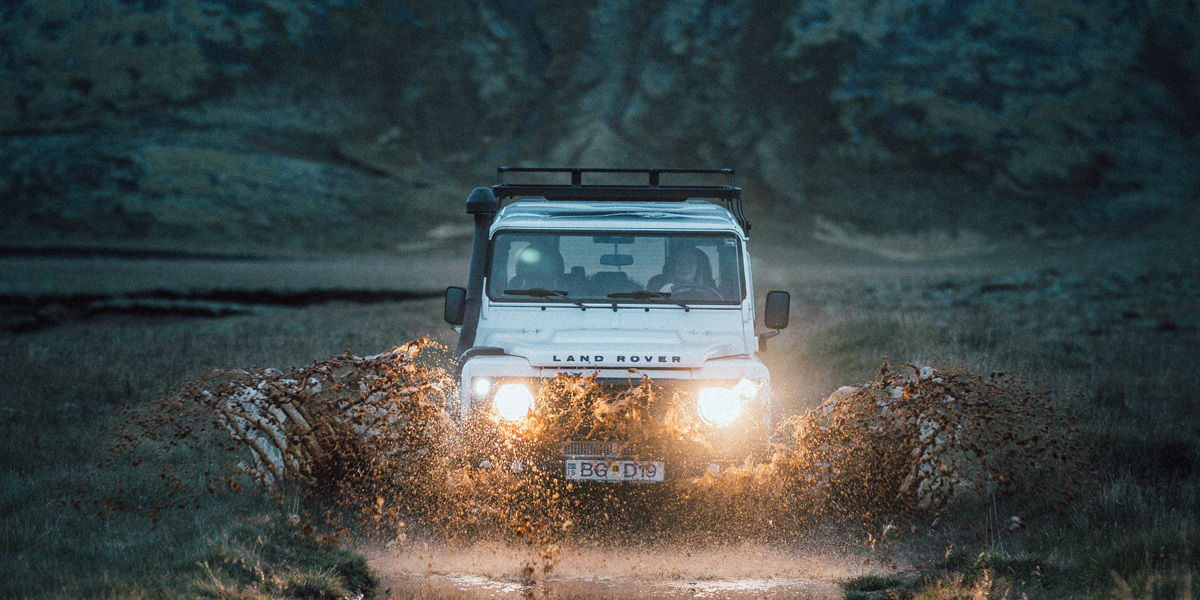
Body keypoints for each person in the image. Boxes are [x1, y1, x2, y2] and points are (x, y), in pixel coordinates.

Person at [647, 246, 722, 300]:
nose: (685, 266)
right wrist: (661, 295)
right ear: (672, 266)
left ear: (698, 268)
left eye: (690, 262)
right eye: (679, 262)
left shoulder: (711, 288)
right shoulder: (656, 285)